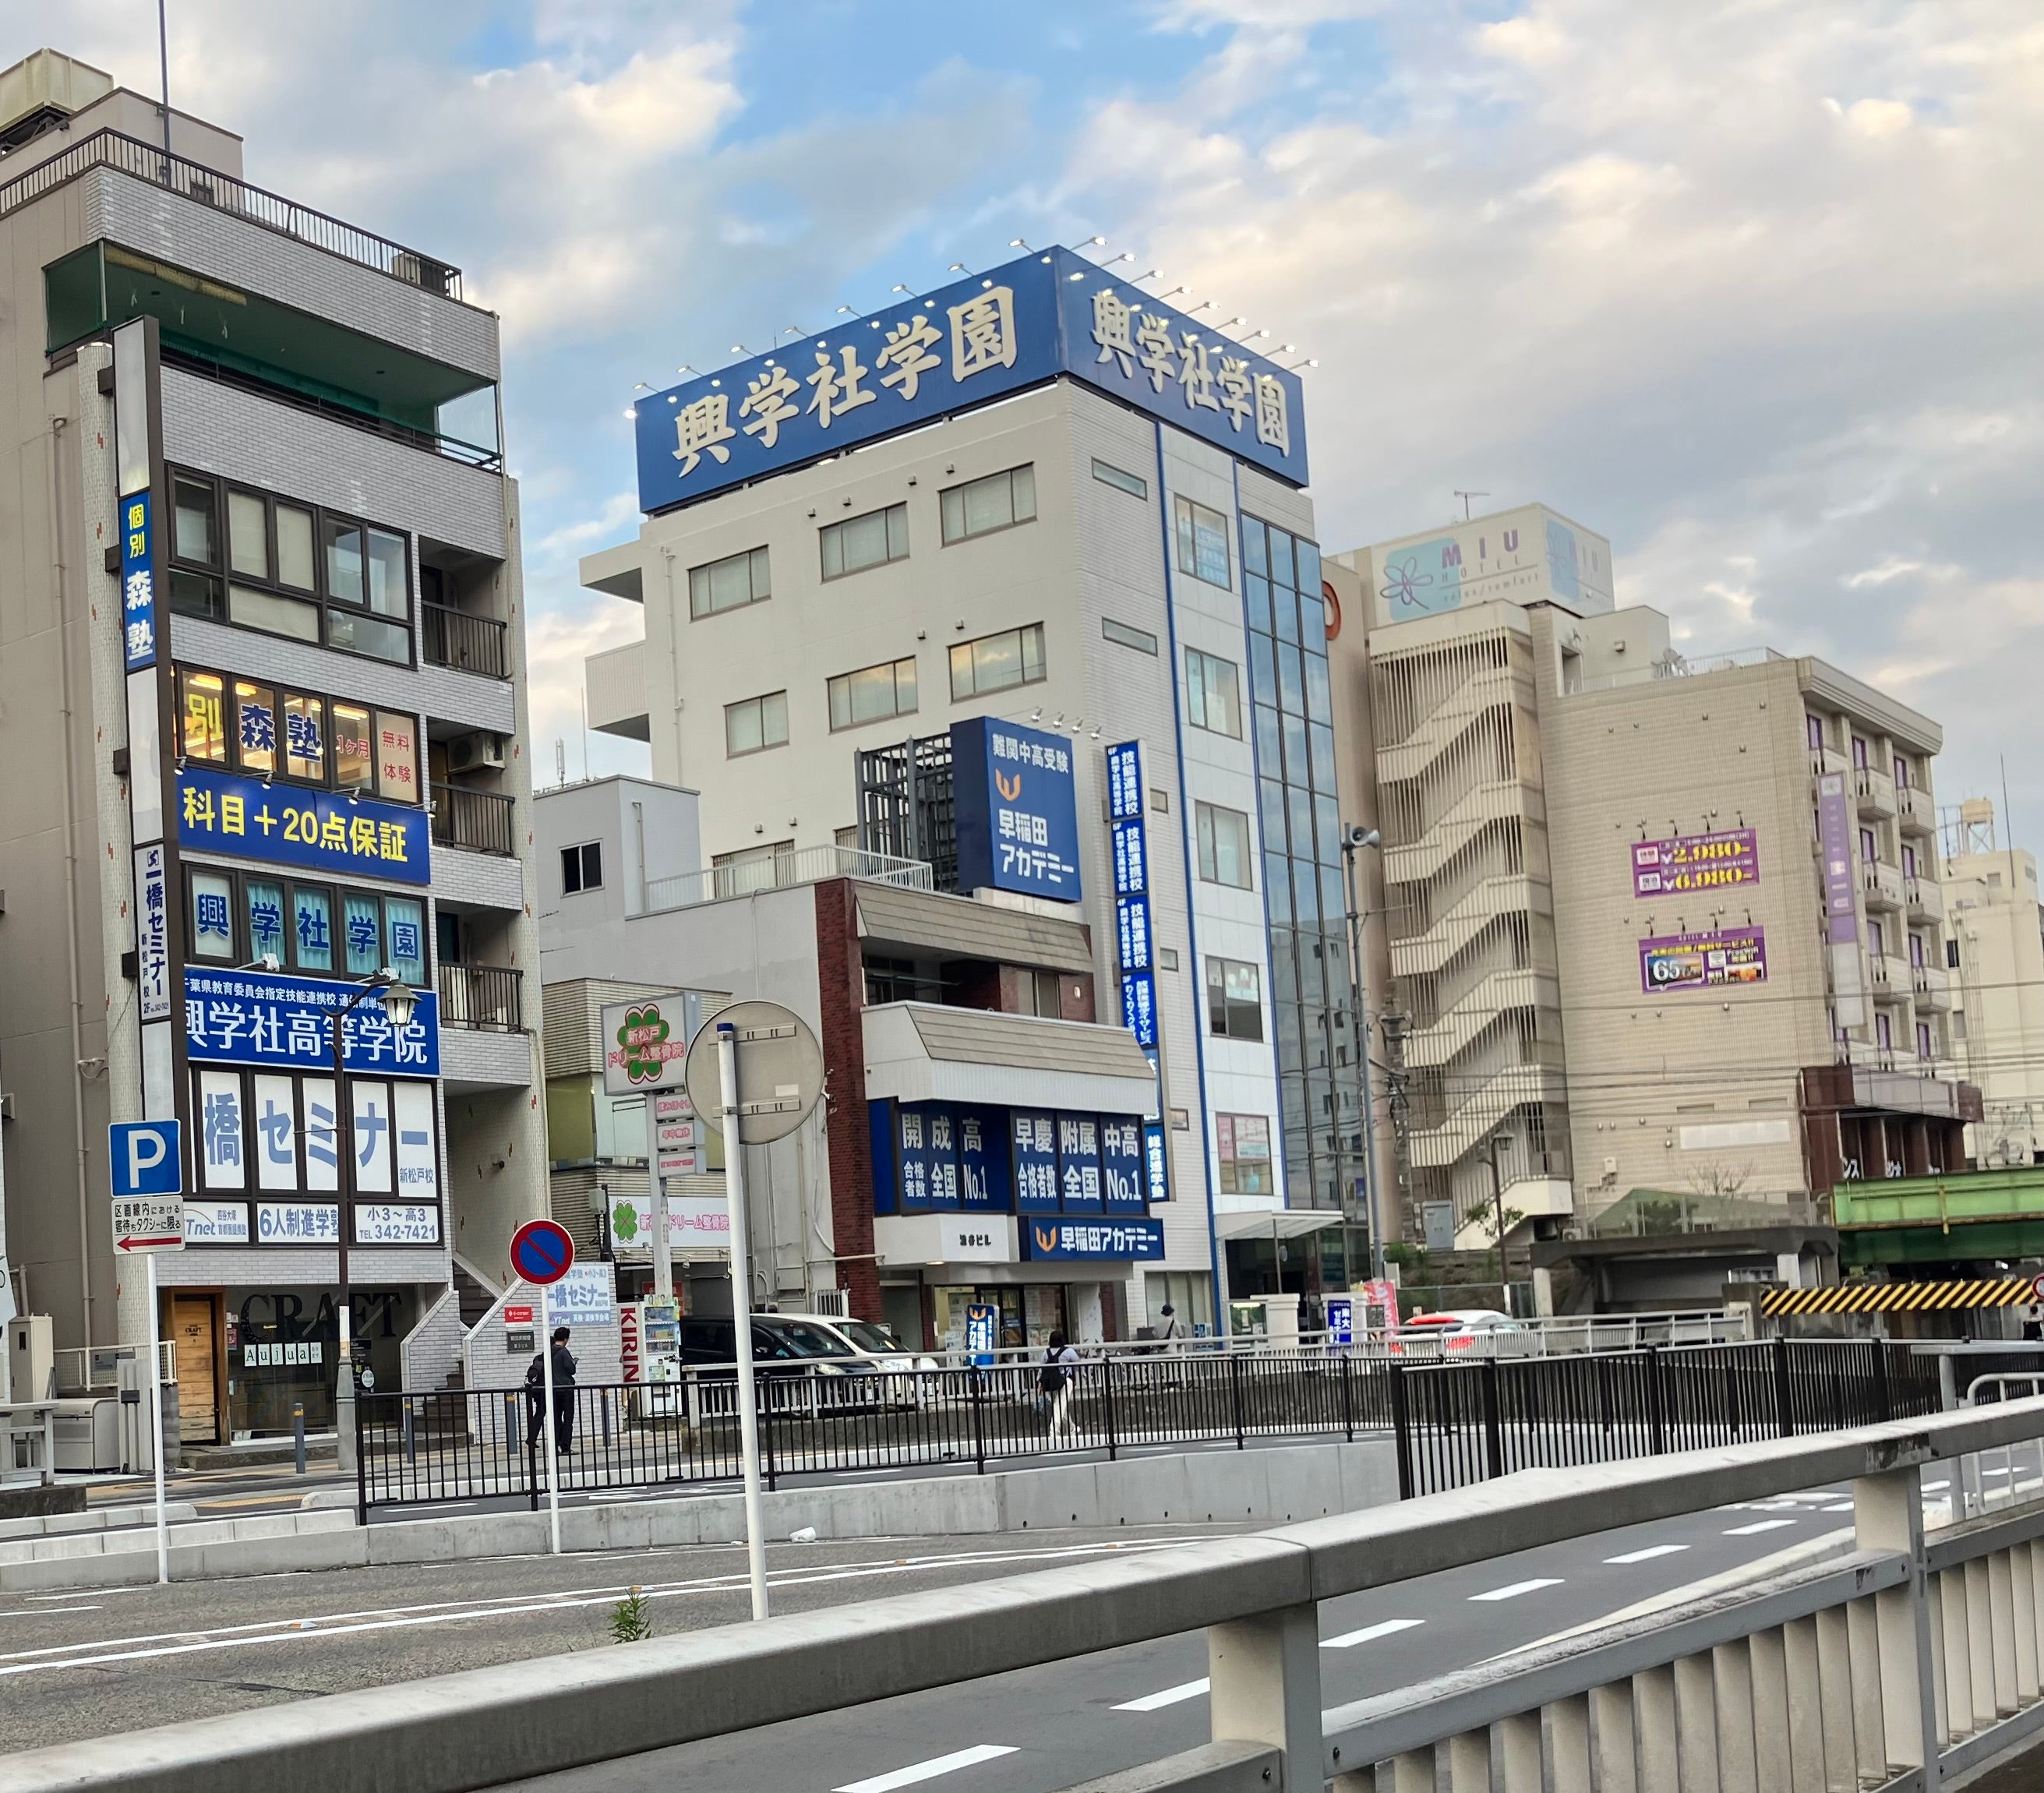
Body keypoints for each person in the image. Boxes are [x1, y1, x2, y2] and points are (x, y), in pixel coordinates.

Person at [525, 1325, 577, 1456]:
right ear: (566, 1339)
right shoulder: (563, 1351)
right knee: (568, 1418)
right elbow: (571, 1370)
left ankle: (554, 1448)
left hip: (552, 1390)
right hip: (565, 1390)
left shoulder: (546, 1353)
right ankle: (565, 1447)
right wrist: (573, 1363)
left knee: (556, 1419)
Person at [1040, 1330, 1081, 1439]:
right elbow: (1078, 1362)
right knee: (1060, 1405)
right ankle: (1054, 1431)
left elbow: (1041, 1369)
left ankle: (1072, 1428)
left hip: (1050, 1383)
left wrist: (1040, 1383)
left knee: (1060, 1405)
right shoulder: (1068, 1351)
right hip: (1066, 1381)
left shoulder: (1046, 1353)